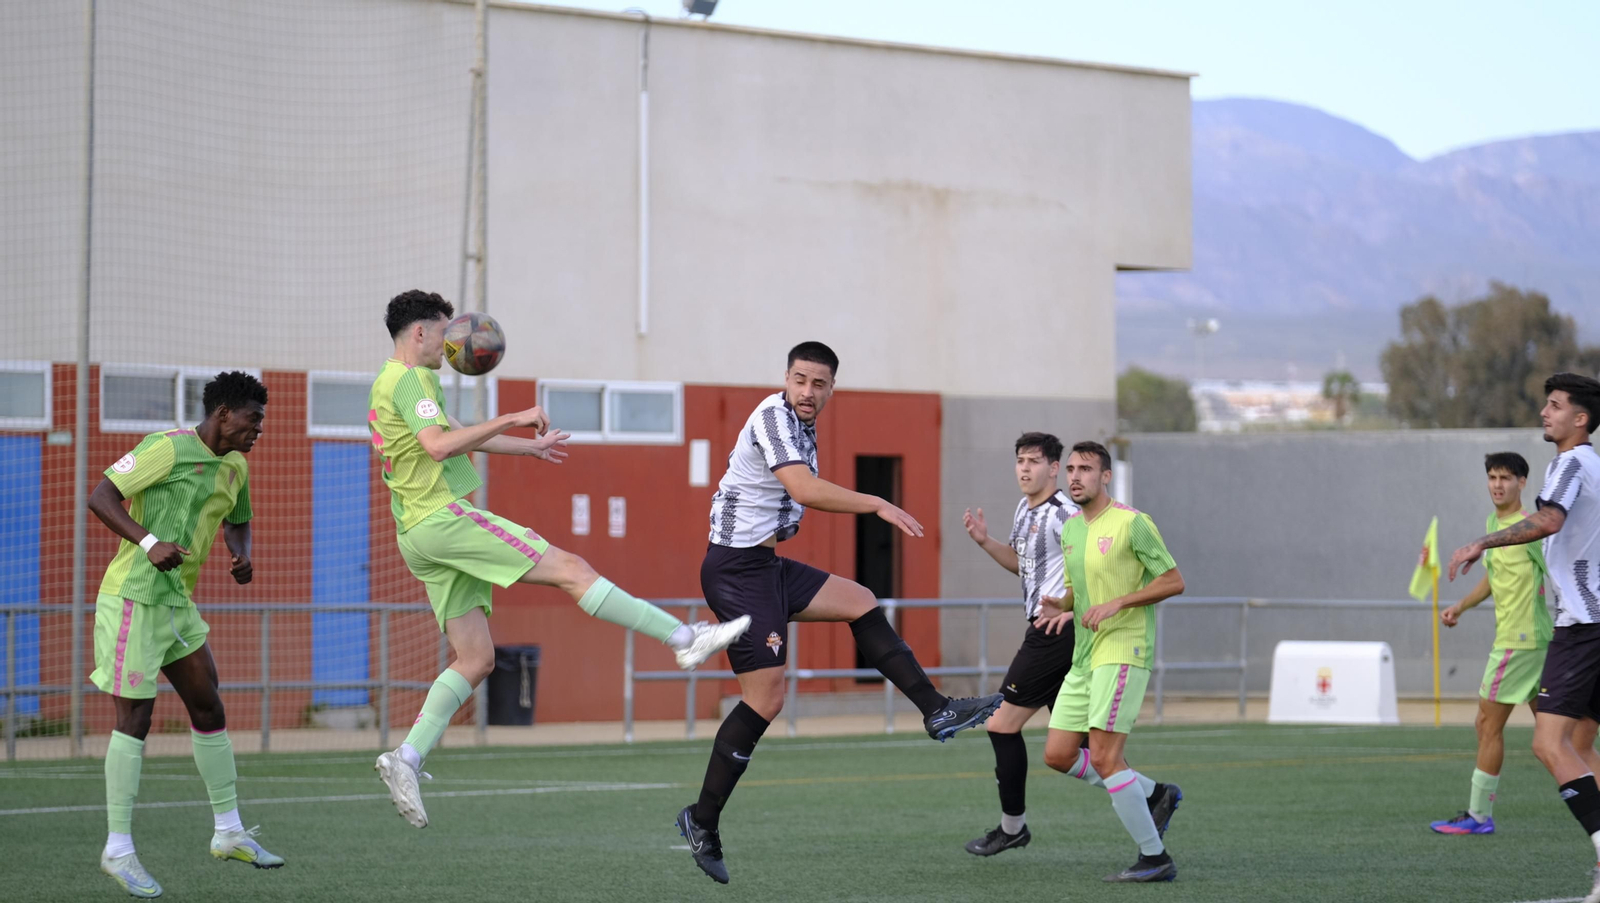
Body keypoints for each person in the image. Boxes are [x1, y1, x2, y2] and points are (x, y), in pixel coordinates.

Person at [369, 290, 749, 829]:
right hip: (443, 518)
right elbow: (437, 447)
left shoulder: (389, 382)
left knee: (475, 658)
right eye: (447, 332)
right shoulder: (413, 379)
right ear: (421, 334)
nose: (455, 343)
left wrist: (527, 446)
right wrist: (511, 416)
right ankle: (684, 640)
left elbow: (448, 436)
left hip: (417, 533)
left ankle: (405, 758)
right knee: (574, 570)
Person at [675, 341, 1004, 884]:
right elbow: (803, 488)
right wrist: (876, 501)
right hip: (735, 571)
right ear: (786, 378)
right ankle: (702, 819)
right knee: (767, 700)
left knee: (861, 601)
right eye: (800, 380)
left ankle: (936, 709)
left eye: (819, 384)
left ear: (831, 387)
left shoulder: (804, 424)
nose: (808, 392)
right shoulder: (774, 416)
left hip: (764, 565)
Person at [87, 371, 280, 898]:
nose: (257, 430)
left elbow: (237, 518)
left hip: (178, 604)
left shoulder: (237, 465)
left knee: (209, 708)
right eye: (252, 419)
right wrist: (149, 541)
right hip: (133, 599)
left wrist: (242, 553)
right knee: (136, 718)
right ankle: (118, 850)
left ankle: (229, 832)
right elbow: (101, 496)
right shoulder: (166, 449)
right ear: (223, 414)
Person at [1448, 373, 1600, 902]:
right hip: (1591, 622)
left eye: (1555, 406)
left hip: (1582, 627)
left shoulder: (1571, 463)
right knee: (1580, 743)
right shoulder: (1596, 467)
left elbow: (1550, 519)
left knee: (1547, 742)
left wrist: (1478, 543)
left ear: (1580, 419)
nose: (1544, 412)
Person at [1041, 441, 1185, 883]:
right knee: (1058, 754)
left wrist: (1119, 602)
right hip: (1085, 655)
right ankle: (1155, 793)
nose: (1076, 477)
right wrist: (1063, 605)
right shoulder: (1071, 530)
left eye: (1086, 469)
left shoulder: (1133, 523)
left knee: (1104, 758)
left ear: (1106, 475)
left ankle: (1154, 858)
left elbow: (1173, 581)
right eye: (1070, 469)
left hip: (1124, 649)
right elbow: (1079, 589)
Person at [959, 432, 1080, 855]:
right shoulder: (1023, 509)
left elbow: (1094, 568)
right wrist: (984, 542)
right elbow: (1024, 565)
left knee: (1000, 724)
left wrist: (1070, 606)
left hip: (1055, 634)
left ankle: (1013, 828)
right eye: (1020, 461)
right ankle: (1152, 795)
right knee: (1076, 748)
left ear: (1053, 468)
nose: (1024, 468)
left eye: (1033, 461)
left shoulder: (1067, 513)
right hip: (1048, 632)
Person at [1430, 452, 1552, 835]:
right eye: (1493, 477)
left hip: (1520, 642)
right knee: (1562, 737)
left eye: (1506, 478)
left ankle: (1479, 816)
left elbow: (1557, 568)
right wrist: (1461, 606)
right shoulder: (1493, 526)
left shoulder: (1529, 528)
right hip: (1534, 643)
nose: (1498, 484)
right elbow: (1492, 577)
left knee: (1486, 723)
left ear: (1522, 483)